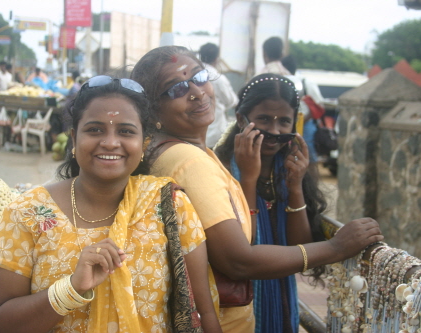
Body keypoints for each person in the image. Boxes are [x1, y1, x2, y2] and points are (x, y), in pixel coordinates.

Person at [130, 45, 383, 333]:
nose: (197, 92)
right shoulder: (190, 162)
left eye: (199, 77)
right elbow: (238, 260)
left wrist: (291, 187)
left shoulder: (171, 152)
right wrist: (335, 247)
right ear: (152, 108)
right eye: (176, 88)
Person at [0, 76, 221, 333]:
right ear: (74, 139)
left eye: (126, 131)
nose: (110, 142)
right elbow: (1, 321)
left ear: (144, 143)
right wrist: (72, 288)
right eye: (95, 129)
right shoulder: (28, 213)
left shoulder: (170, 206)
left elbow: (203, 310)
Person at [214, 73, 328, 332]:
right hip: (235, 304)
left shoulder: (289, 168)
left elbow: (301, 248)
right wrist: (249, 178)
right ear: (241, 119)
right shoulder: (220, 170)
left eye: (284, 121)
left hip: (282, 298)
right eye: (264, 119)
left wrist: (295, 186)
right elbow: (244, 247)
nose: (275, 131)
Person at [282, 55, 324, 164]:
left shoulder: (306, 84)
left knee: (308, 150)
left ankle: (310, 175)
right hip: (285, 122)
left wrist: (303, 120)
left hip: (305, 124)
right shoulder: (280, 83)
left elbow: (319, 105)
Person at [198, 43, 238, 148]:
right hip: (214, 135)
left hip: (194, 133)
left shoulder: (191, 75)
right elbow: (231, 101)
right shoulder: (218, 78)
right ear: (216, 58)